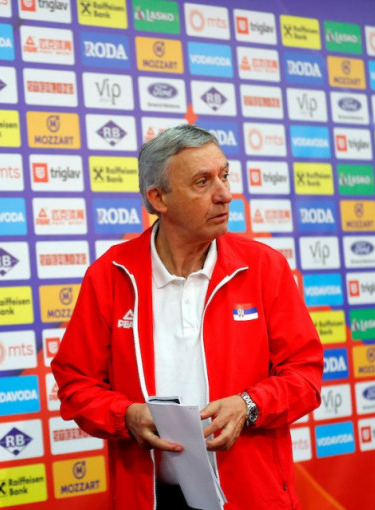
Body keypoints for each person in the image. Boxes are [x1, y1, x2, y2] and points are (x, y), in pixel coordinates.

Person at [51, 124, 323, 510]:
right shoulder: (110, 274)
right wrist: (125, 416)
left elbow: (305, 376)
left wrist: (248, 405)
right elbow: (76, 382)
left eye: (224, 176)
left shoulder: (264, 267)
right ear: (158, 197)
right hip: (150, 499)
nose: (225, 194)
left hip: (250, 497)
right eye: (202, 182)